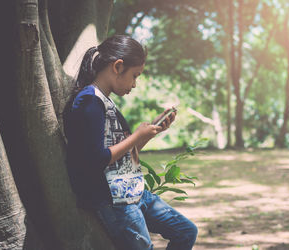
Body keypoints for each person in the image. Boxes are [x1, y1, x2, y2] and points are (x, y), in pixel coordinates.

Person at [62, 35, 197, 250]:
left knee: (186, 231)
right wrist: (135, 136)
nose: (134, 84)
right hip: (115, 201)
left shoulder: (105, 101)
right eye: (135, 76)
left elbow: (119, 156)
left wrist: (147, 135)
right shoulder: (89, 101)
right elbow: (96, 159)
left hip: (134, 191)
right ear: (117, 66)